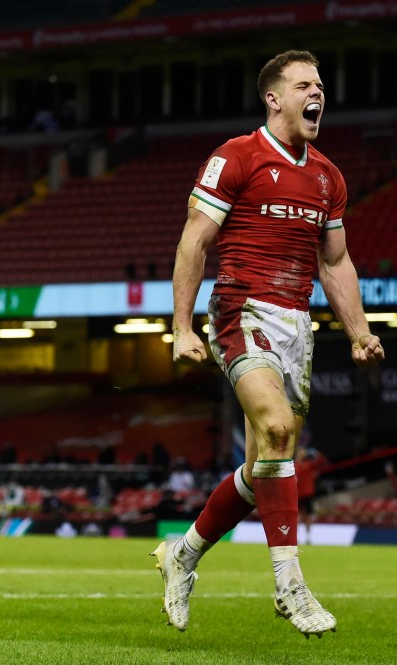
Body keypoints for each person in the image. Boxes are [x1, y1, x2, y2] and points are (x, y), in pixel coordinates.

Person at [153, 50, 384, 638]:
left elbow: (335, 262)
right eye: (305, 84)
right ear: (274, 98)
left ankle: (182, 555)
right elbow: (193, 243)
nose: (319, 93)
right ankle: (290, 585)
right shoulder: (237, 156)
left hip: (296, 325)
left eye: (322, 84)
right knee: (278, 429)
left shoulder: (327, 175)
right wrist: (181, 327)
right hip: (241, 310)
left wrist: (359, 332)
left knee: (264, 469)